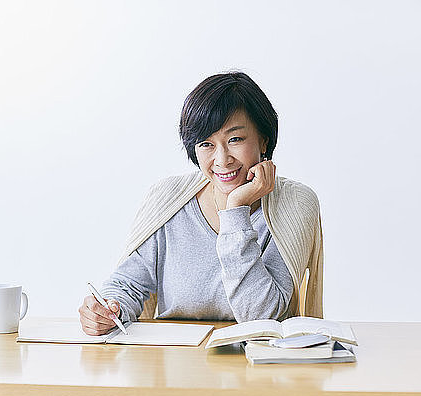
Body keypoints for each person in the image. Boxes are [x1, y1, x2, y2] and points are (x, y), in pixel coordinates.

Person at [78, 71, 324, 336]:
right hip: (179, 365)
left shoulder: (295, 203)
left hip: (262, 365)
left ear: (263, 139)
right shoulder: (168, 198)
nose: (222, 159)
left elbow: (262, 318)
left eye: (235, 140)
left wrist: (236, 209)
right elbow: (128, 284)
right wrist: (107, 310)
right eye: (206, 144)